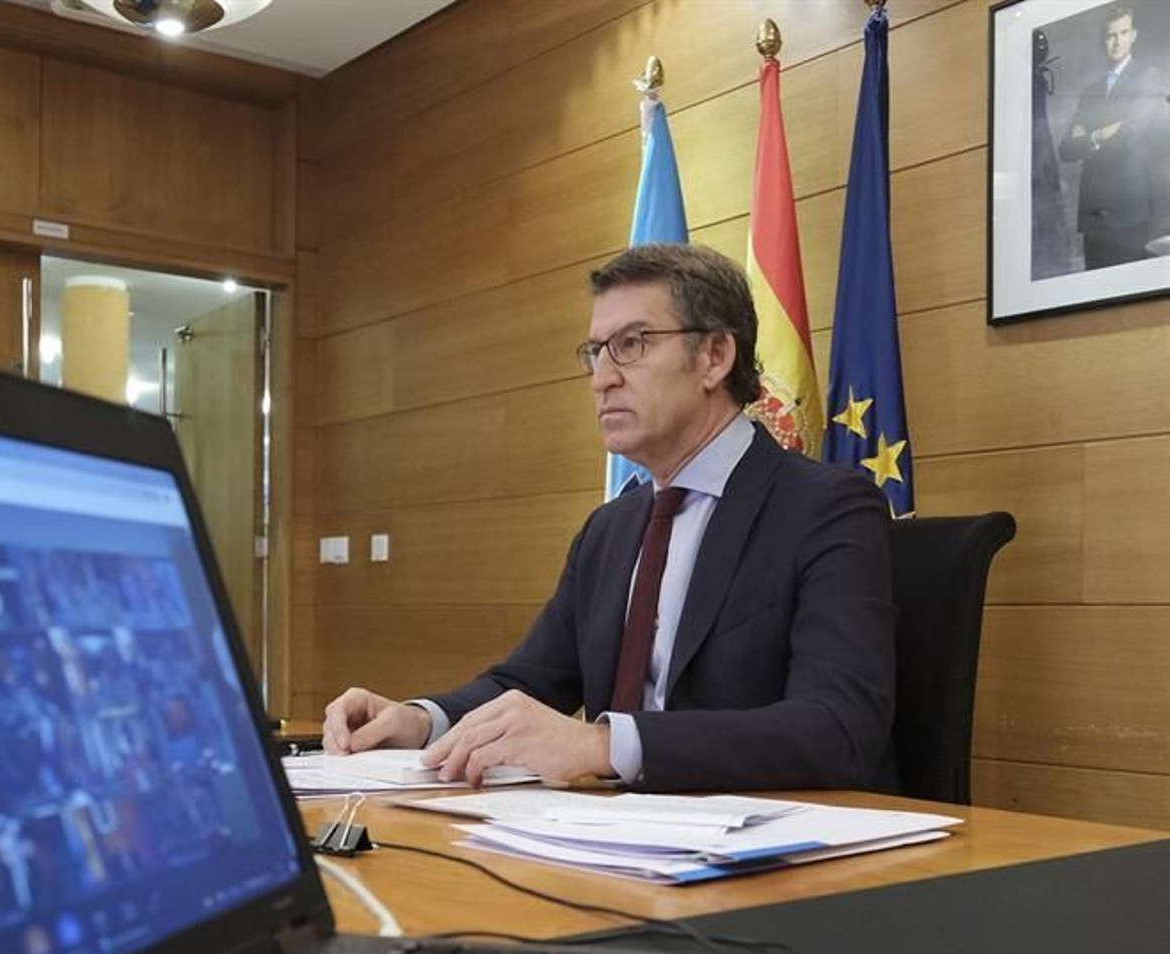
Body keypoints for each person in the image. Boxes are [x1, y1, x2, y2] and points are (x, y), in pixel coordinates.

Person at [322, 244, 896, 792]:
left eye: (633, 343)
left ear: (715, 356)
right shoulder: (610, 528)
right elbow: (529, 681)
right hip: (606, 842)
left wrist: (605, 746)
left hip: (766, 855)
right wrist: (421, 720)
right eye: (596, 352)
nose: (602, 378)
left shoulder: (825, 508)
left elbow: (838, 728)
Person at [1057, 5, 1166, 270]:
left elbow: (1128, 137)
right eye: (1110, 35)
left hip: (1129, 212)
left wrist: (1089, 137)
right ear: (1103, 40)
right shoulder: (1090, 91)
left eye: (1123, 33)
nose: (1116, 41)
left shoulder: (1149, 78)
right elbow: (1066, 149)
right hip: (1094, 216)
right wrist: (1104, 132)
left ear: (1134, 35)